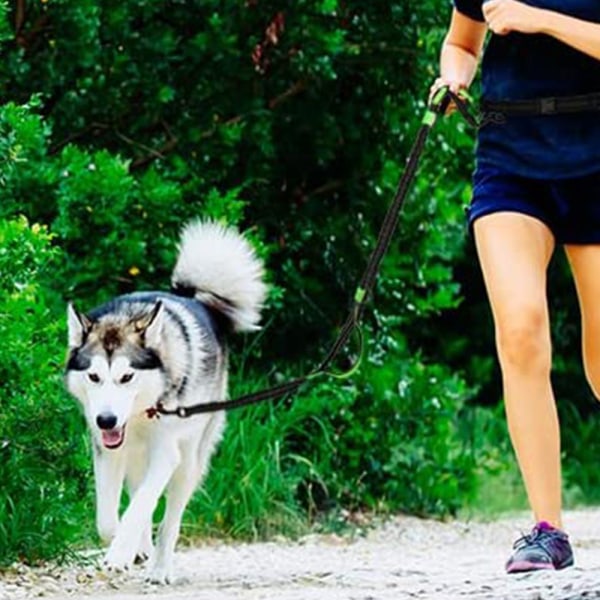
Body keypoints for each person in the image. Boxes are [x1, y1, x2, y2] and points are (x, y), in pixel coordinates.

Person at [432, 0, 600, 574]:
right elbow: (462, 43)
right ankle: (547, 529)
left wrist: (540, 18)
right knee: (522, 332)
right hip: (510, 154)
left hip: (596, 151)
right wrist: (454, 77)